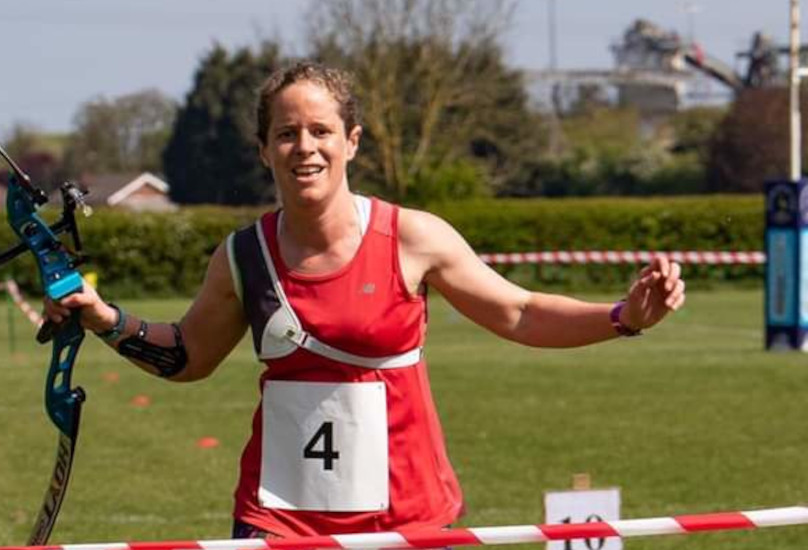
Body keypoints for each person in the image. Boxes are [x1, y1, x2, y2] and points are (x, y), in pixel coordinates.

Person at [44, 61, 686, 539]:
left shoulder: (414, 236)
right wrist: (105, 319)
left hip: (406, 517)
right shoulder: (242, 256)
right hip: (280, 520)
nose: (305, 147)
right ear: (264, 149)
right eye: (287, 133)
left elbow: (517, 312)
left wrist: (622, 318)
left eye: (321, 130)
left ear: (352, 140)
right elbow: (189, 356)